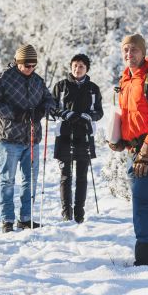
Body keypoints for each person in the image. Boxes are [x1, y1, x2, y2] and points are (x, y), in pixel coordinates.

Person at [108, 34, 148, 266]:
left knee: (141, 199)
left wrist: (146, 151)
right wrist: (121, 140)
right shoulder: (126, 80)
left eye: (133, 49)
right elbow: (130, 117)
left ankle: (146, 257)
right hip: (134, 149)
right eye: (125, 50)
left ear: (143, 52)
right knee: (147, 199)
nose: (128, 54)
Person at [0, 44, 56, 233]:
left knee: (30, 180)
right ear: (18, 62)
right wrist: (15, 114)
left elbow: (49, 100)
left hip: (31, 138)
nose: (30, 69)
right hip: (8, 138)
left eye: (33, 65)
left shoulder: (37, 81)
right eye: (27, 65)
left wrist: (43, 109)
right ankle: (7, 219)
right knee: (7, 180)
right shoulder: (3, 78)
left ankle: (25, 218)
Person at [51, 54, 104, 224]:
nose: (77, 69)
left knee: (82, 176)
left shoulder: (93, 88)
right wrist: (66, 113)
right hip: (64, 134)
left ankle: (79, 213)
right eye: (74, 65)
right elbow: (51, 108)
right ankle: (67, 213)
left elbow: (99, 112)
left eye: (81, 66)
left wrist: (88, 116)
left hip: (85, 135)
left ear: (87, 68)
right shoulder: (61, 86)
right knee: (66, 176)